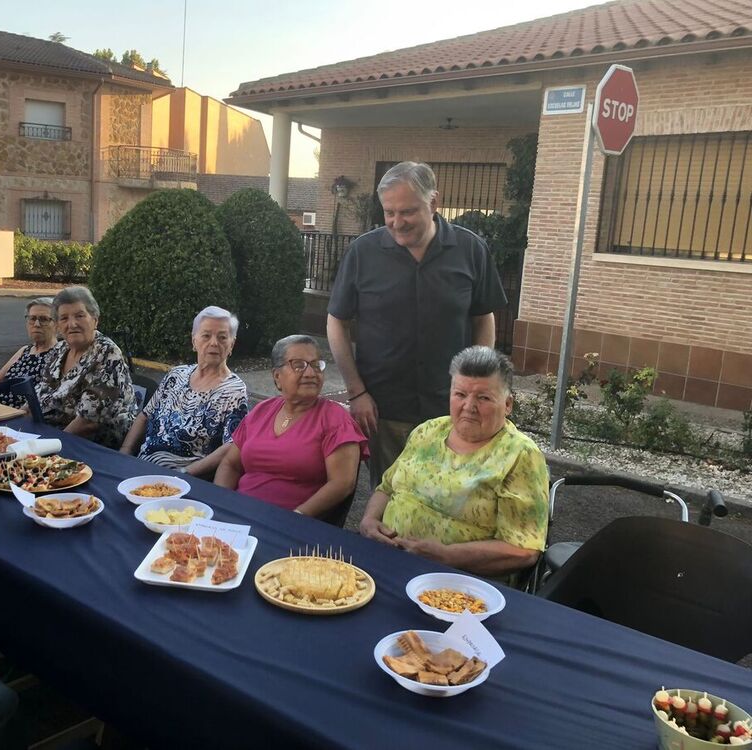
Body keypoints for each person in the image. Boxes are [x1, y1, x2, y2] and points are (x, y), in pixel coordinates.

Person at [326, 161, 508, 489]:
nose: (397, 222)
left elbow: (483, 318)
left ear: (434, 202)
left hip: (449, 408)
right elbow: (337, 322)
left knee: (448, 497)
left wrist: (478, 388)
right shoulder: (362, 252)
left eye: (407, 212)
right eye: (389, 213)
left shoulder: (470, 249)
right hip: (384, 408)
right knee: (389, 500)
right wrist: (357, 392)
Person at [359, 347, 549, 579]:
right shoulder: (428, 431)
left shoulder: (520, 455)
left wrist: (448, 556)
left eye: (483, 398)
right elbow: (387, 488)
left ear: (508, 404)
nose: (469, 406)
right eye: (460, 394)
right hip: (387, 560)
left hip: (458, 584)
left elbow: (524, 550)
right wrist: (369, 521)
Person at [215, 335, 367, 517]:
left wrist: (295, 516)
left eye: (316, 364)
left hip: (290, 522)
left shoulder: (335, 419)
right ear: (277, 376)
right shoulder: (262, 411)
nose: (311, 373)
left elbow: (342, 484)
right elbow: (230, 464)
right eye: (299, 365)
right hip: (237, 511)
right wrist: (221, 504)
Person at [120, 306, 248, 476]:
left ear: (232, 344)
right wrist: (124, 452)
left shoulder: (234, 391)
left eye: (222, 337)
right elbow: (145, 416)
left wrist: (184, 473)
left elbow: (231, 446)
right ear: (194, 341)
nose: (214, 343)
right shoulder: (176, 374)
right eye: (206, 335)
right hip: (141, 466)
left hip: (183, 478)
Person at [35, 286, 137, 448]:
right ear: (58, 326)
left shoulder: (107, 354)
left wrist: (46, 448)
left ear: (95, 320)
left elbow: (87, 423)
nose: (72, 323)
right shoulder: (60, 350)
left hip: (93, 445)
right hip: (54, 434)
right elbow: (40, 395)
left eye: (80, 316)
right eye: (64, 318)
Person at [0, 296, 57, 408]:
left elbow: (41, 400)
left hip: (11, 415)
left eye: (44, 319)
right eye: (32, 318)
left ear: (57, 324)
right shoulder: (24, 350)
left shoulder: (58, 355)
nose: (36, 324)